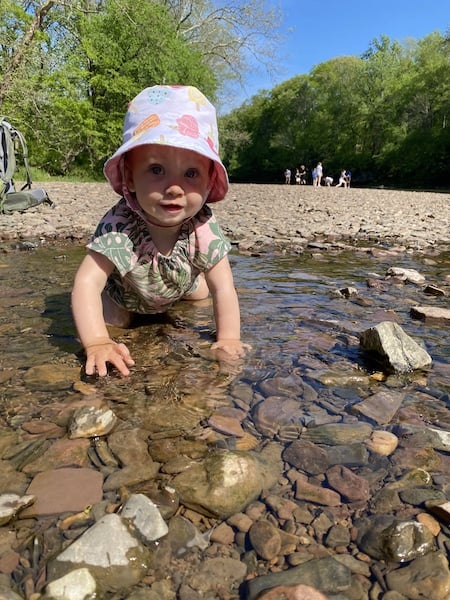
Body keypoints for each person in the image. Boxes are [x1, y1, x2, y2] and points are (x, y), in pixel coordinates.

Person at [71, 85, 251, 377]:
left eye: (191, 174)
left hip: (178, 284)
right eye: (156, 170)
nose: (175, 188)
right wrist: (97, 341)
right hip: (127, 293)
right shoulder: (120, 226)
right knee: (113, 320)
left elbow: (224, 288)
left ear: (208, 182)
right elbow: (86, 284)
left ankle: (185, 291)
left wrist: (228, 338)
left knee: (202, 293)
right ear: (129, 177)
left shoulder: (202, 226)